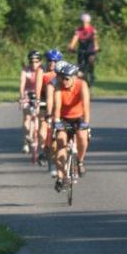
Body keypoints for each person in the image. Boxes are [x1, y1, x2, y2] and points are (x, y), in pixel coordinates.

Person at [52, 63, 91, 192]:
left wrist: (85, 122)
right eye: (62, 78)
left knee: (82, 136)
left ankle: (80, 161)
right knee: (60, 142)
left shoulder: (82, 84)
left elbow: (86, 106)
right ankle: (61, 177)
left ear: (74, 77)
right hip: (63, 118)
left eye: (67, 78)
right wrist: (56, 121)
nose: (64, 81)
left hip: (79, 117)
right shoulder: (58, 87)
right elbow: (57, 107)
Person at [38, 48, 62, 166]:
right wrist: (37, 101)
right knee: (43, 123)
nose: (52, 63)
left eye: (55, 61)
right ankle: (42, 149)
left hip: (58, 101)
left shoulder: (62, 73)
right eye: (50, 61)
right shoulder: (43, 72)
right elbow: (38, 89)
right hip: (44, 100)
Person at [19, 50, 44, 153]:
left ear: (40, 62)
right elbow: (22, 84)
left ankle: (33, 137)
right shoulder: (26, 70)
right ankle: (26, 142)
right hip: (27, 94)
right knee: (27, 117)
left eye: (36, 61)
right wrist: (21, 97)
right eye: (32, 61)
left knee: (37, 117)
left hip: (39, 95)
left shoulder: (42, 70)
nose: (34, 64)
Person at [68, 13, 99, 85]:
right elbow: (75, 38)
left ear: (89, 22)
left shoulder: (92, 30)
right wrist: (71, 46)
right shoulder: (79, 30)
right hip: (81, 50)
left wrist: (96, 47)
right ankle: (80, 79)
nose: (84, 24)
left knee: (91, 59)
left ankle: (91, 73)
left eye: (86, 22)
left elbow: (95, 39)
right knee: (79, 65)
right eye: (83, 22)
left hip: (90, 49)